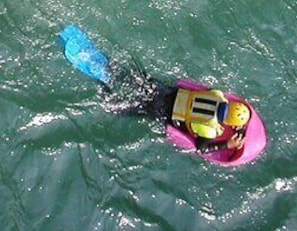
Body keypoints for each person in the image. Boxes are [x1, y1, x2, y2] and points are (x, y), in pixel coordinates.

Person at [59, 25, 250, 155]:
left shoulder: (216, 95)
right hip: (161, 111)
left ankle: (103, 65)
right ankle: (102, 82)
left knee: (127, 76)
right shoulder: (207, 128)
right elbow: (201, 147)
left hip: (164, 91)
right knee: (117, 109)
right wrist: (227, 144)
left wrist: (237, 122)